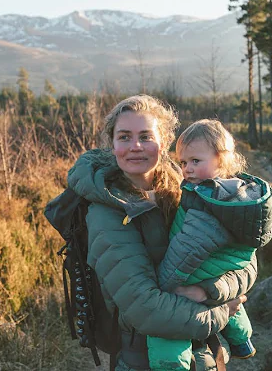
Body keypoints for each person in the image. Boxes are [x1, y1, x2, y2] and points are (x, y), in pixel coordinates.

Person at [64, 95, 256, 370]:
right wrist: (221, 312)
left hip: (201, 355)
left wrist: (209, 290)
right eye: (124, 137)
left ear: (164, 143)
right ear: (113, 145)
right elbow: (145, 308)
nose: (135, 147)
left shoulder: (186, 188)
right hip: (143, 359)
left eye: (145, 136)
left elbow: (243, 259)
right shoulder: (107, 212)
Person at [147, 119, 272, 370]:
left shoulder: (206, 202)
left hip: (195, 271)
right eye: (183, 162)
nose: (187, 169)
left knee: (167, 327)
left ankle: (170, 364)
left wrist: (163, 286)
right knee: (230, 300)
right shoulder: (237, 193)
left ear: (221, 159)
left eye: (196, 161)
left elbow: (187, 251)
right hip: (222, 271)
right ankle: (242, 341)